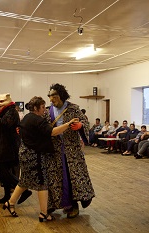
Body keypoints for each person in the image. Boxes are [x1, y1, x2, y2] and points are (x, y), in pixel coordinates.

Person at [2, 96, 79, 221]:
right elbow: (53, 132)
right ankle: (43, 213)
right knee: (42, 183)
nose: (45, 110)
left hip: (24, 153)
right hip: (34, 155)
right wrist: (68, 124)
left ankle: (10, 203)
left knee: (24, 181)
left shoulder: (27, 117)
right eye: (43, 107)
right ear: (36, 108)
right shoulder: (38, 120)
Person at [45, 83, 95, 218]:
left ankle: (73, 206)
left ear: (61, 95)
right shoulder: (47, 111)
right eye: (49, 96)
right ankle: (55, 205)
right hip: (54, 151)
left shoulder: (73, 109)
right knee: (55, 178)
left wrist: (80, 126)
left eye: (53, 96)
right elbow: (41, 126)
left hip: (71, 150)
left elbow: (85, 123)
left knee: (72, 178)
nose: (51, 99)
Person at [0, 93, 32, 205]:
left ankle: (24, 189)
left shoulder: (11, 112)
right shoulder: (6, 112)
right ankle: (7, 195)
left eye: (0, 104)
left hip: (7, 147)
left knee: (5, 172)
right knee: (4, 173)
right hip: (3, 146)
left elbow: (5, 124)